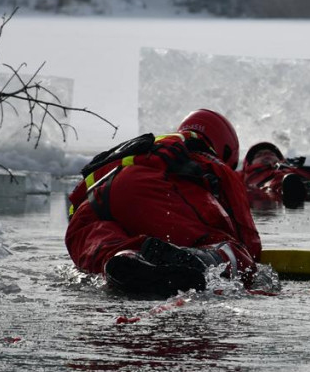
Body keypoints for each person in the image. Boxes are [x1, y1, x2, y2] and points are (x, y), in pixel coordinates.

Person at [65, 108, 262, 295]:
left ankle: (126, 257)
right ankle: (195, 260)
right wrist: (246, 253)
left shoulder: (147, 147)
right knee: (234, 252)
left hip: (87, 211)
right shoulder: (204, 155)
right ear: (226, 149)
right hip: (143, 188)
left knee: (111, 252)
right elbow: (246, 233)